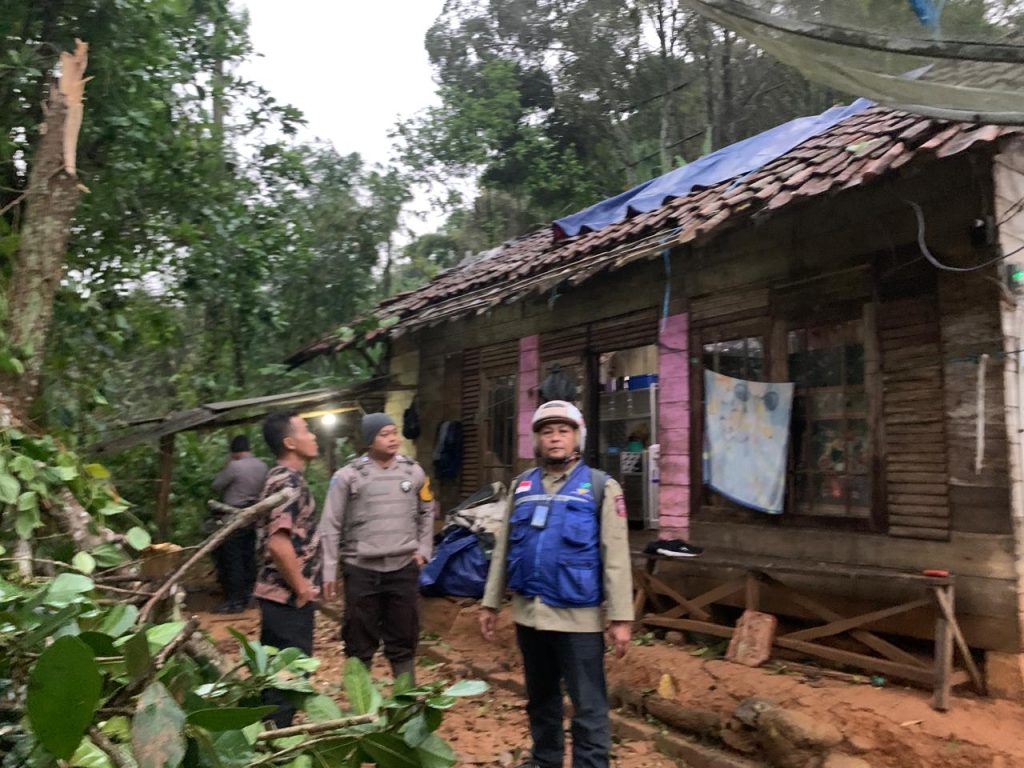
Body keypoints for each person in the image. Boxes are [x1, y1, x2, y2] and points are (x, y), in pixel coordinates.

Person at [478, 400, 633, 768]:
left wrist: (621, 617)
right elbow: (502, 549)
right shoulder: (522, 486)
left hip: (577, 619)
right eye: (547, 432)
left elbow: (615, 556)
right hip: (530, 616)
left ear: (577, 437)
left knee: (588, 705)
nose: (555, 438)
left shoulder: (600, 487)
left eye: (563, 431)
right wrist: (489, 602)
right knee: (541, 699)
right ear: (537, 440)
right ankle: (545, 761)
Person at [319, 413, 435, 681]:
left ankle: (405, 706)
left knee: (404, 639)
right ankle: (359, 708)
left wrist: (423, 549)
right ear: (370, 439)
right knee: (359, 640)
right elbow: (330, 523)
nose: (393, 439)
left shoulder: (413, 471)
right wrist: (328, 570)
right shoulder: (348, 476)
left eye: (394, 432)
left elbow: (428, 510)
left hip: (403, 567)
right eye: (384, 434)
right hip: (361, 569)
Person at [253, 411, 321, 727]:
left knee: (278, 678)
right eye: (307, 431)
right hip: (287, 598)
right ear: (289, 442)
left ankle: (267, 743)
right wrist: (302, 587)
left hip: (281, 597)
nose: (314, 436)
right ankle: (274, 748)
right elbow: (278, 544)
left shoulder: (285, 479)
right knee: (287, 681)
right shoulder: (286, 481)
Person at [210, 435, 268, 613]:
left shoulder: (234, 466)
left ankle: (235, 601)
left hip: (233, 518)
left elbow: (216, 485)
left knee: (233, 558)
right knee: (248, 557)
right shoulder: (262, 466)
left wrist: (228, 465)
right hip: (254, 516)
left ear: (234, 452)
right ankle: (250, 595)